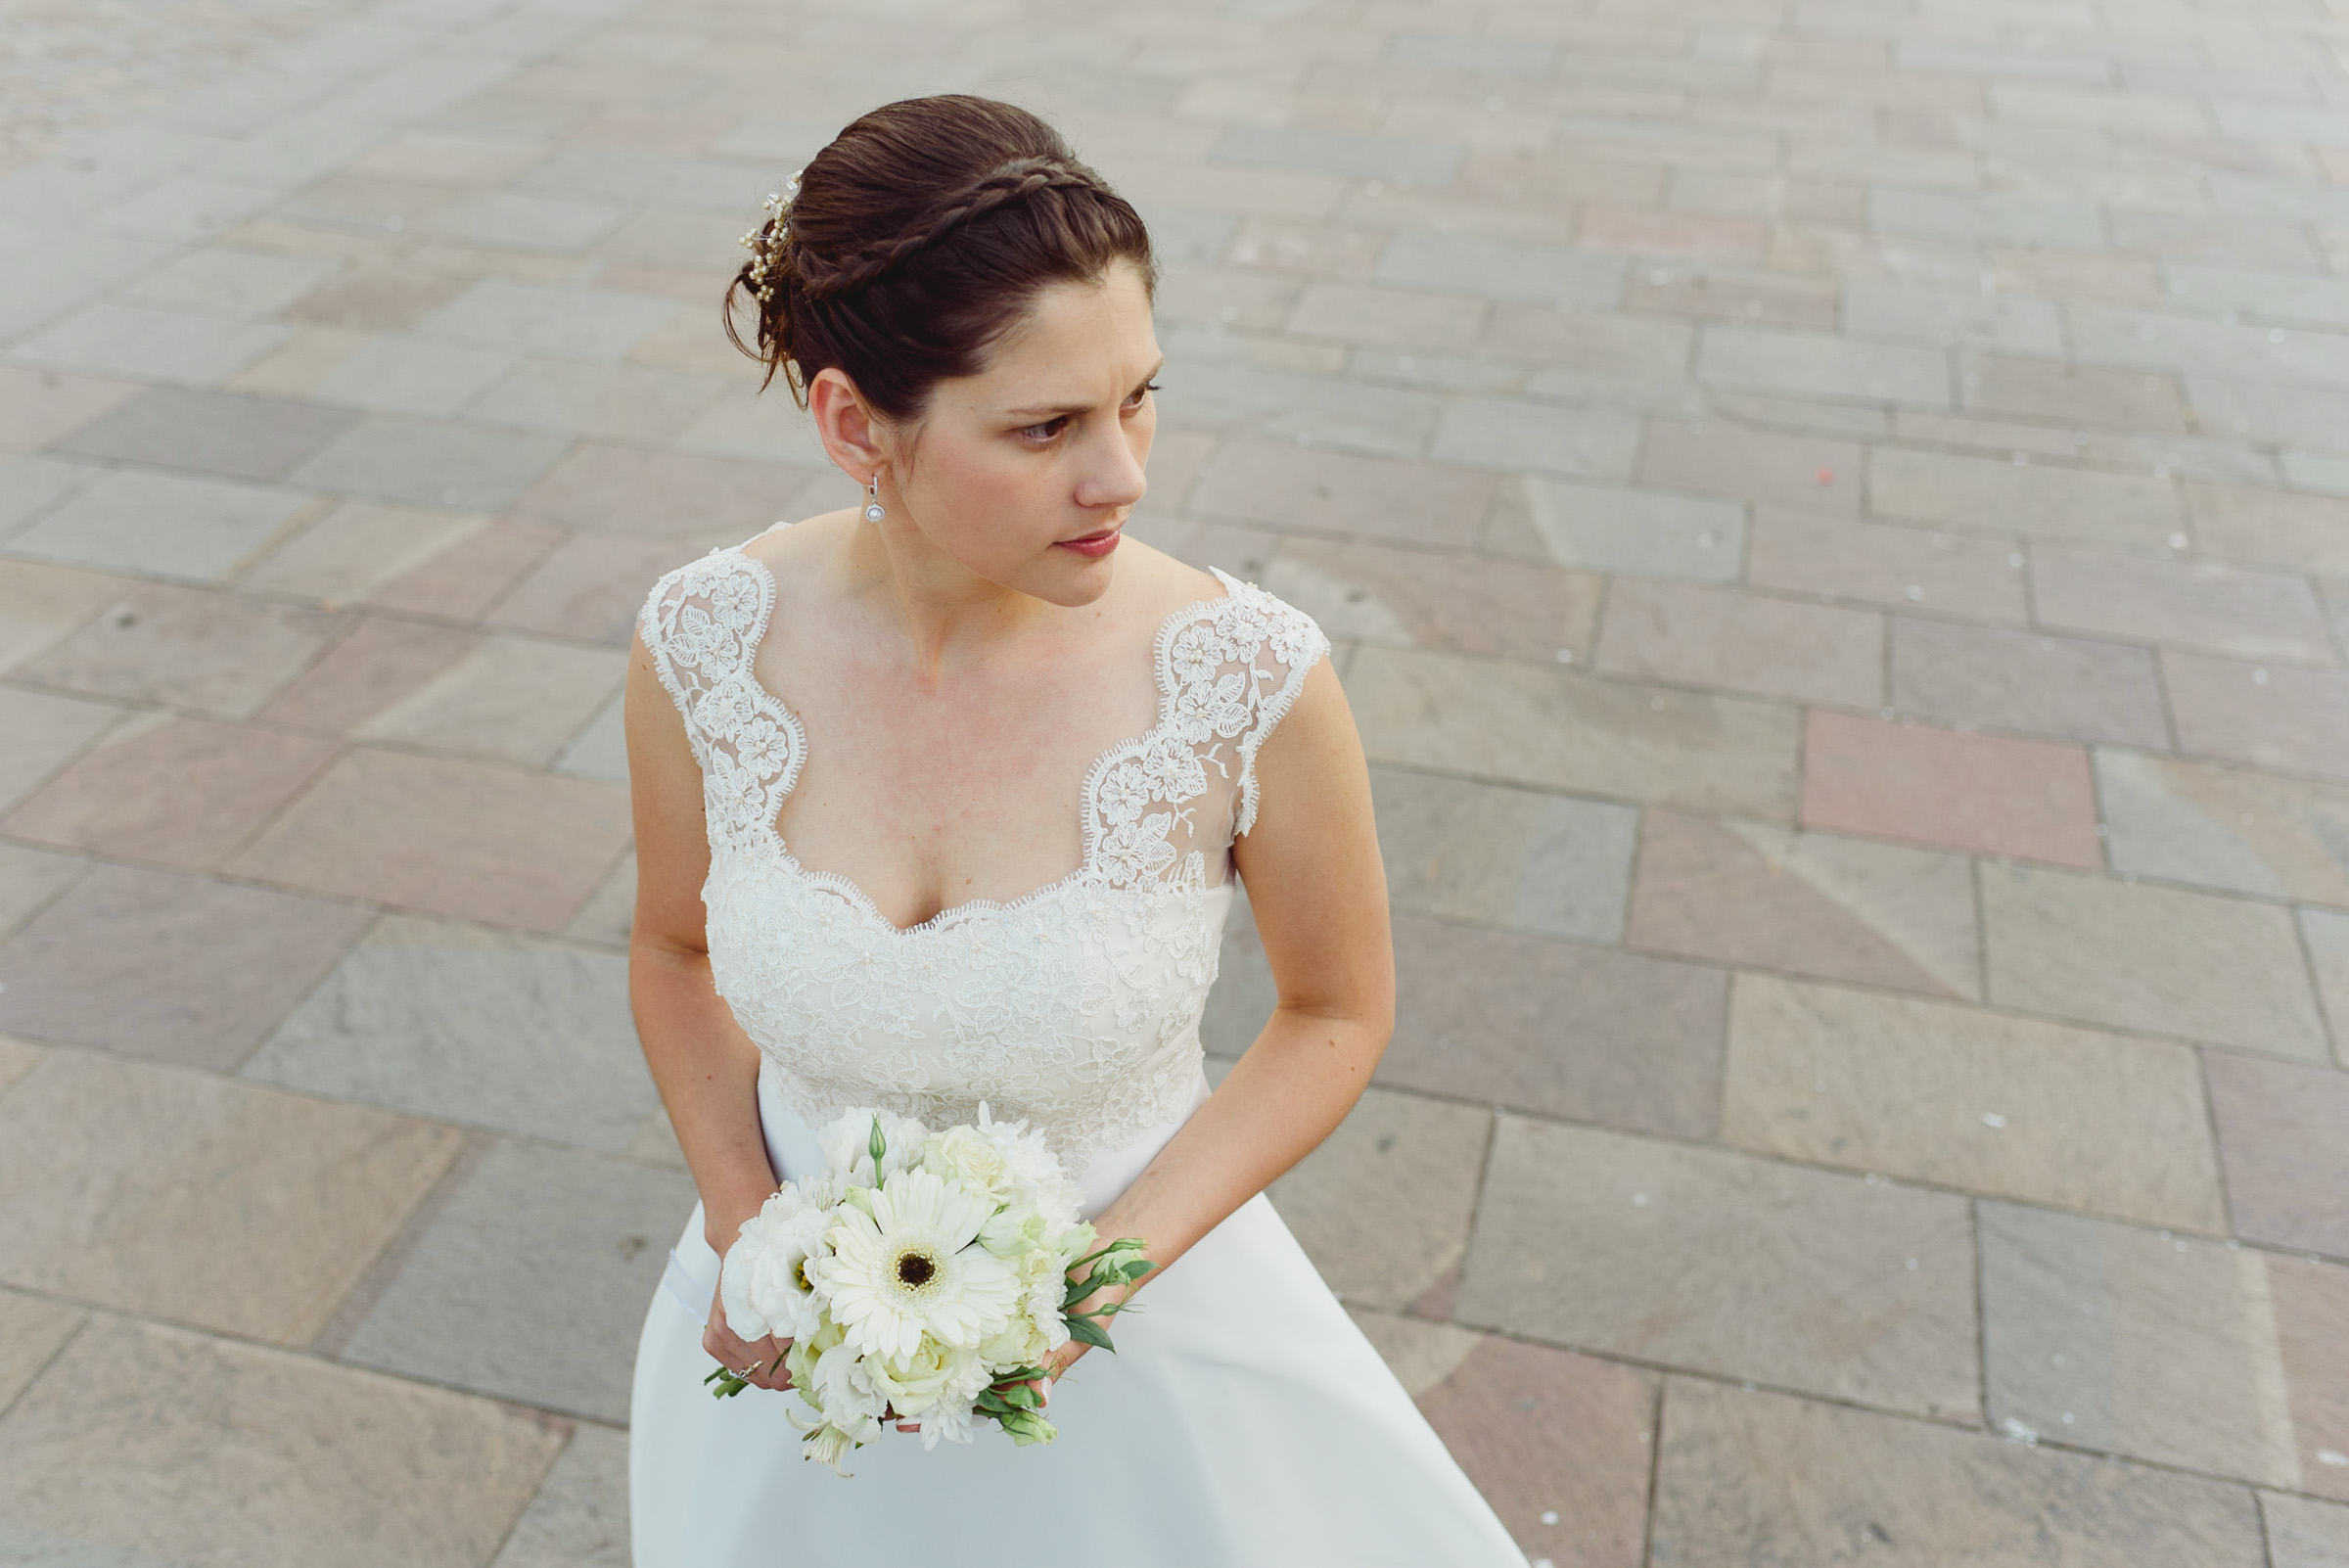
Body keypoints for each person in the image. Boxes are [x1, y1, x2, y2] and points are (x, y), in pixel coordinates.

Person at [623, 93, 1526, 1566]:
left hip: (1150, 1375)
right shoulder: (704, 644)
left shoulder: (1247, 678)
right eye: (1046, 427)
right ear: (857, 423)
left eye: (1139, 397)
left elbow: (1336, 1011)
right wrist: (746, 1224)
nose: (1124, 476)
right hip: (791, 1388)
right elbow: (673, 949)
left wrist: (1102, 1279)